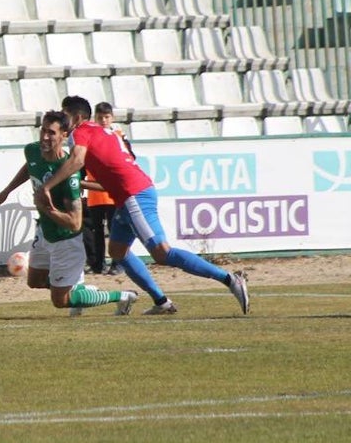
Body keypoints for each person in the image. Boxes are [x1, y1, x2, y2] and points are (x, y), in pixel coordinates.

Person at [42, 96, 251, 316]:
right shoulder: (104, 132)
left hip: (134, 195)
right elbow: (110, 178)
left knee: (161, 252)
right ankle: (161, 302)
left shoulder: (80, 132)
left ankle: (229, 279)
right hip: (130, 193)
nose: (63, 120)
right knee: (117, 251)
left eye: (65, 114)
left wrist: (49, 185)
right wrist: (76, 182)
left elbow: (76, 161)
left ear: (76, 117)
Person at [0, 110, 139, 316]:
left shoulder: (68, 176)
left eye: (51, 133)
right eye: (43, 130)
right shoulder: (32, 151)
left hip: (66, 241)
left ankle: (122, 296)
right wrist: (6, 191)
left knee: (61, 301)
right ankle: (79, 291)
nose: (44, 137)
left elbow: (75, 223)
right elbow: (30, 167)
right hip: (44, 232)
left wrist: (48, 208)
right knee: (35, 281)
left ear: (64, 136)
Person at [81, 102, 127, 275]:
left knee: (115, 230)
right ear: (95, 118)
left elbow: (128, 158)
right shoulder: (89, 136)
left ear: (112, 118)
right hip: (95, 194)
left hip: (113, 193)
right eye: (100, 117)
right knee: (96, 231)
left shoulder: (119, 136)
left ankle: (118, 264)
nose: (103, 120)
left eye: (106, 117)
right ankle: (97, 264)